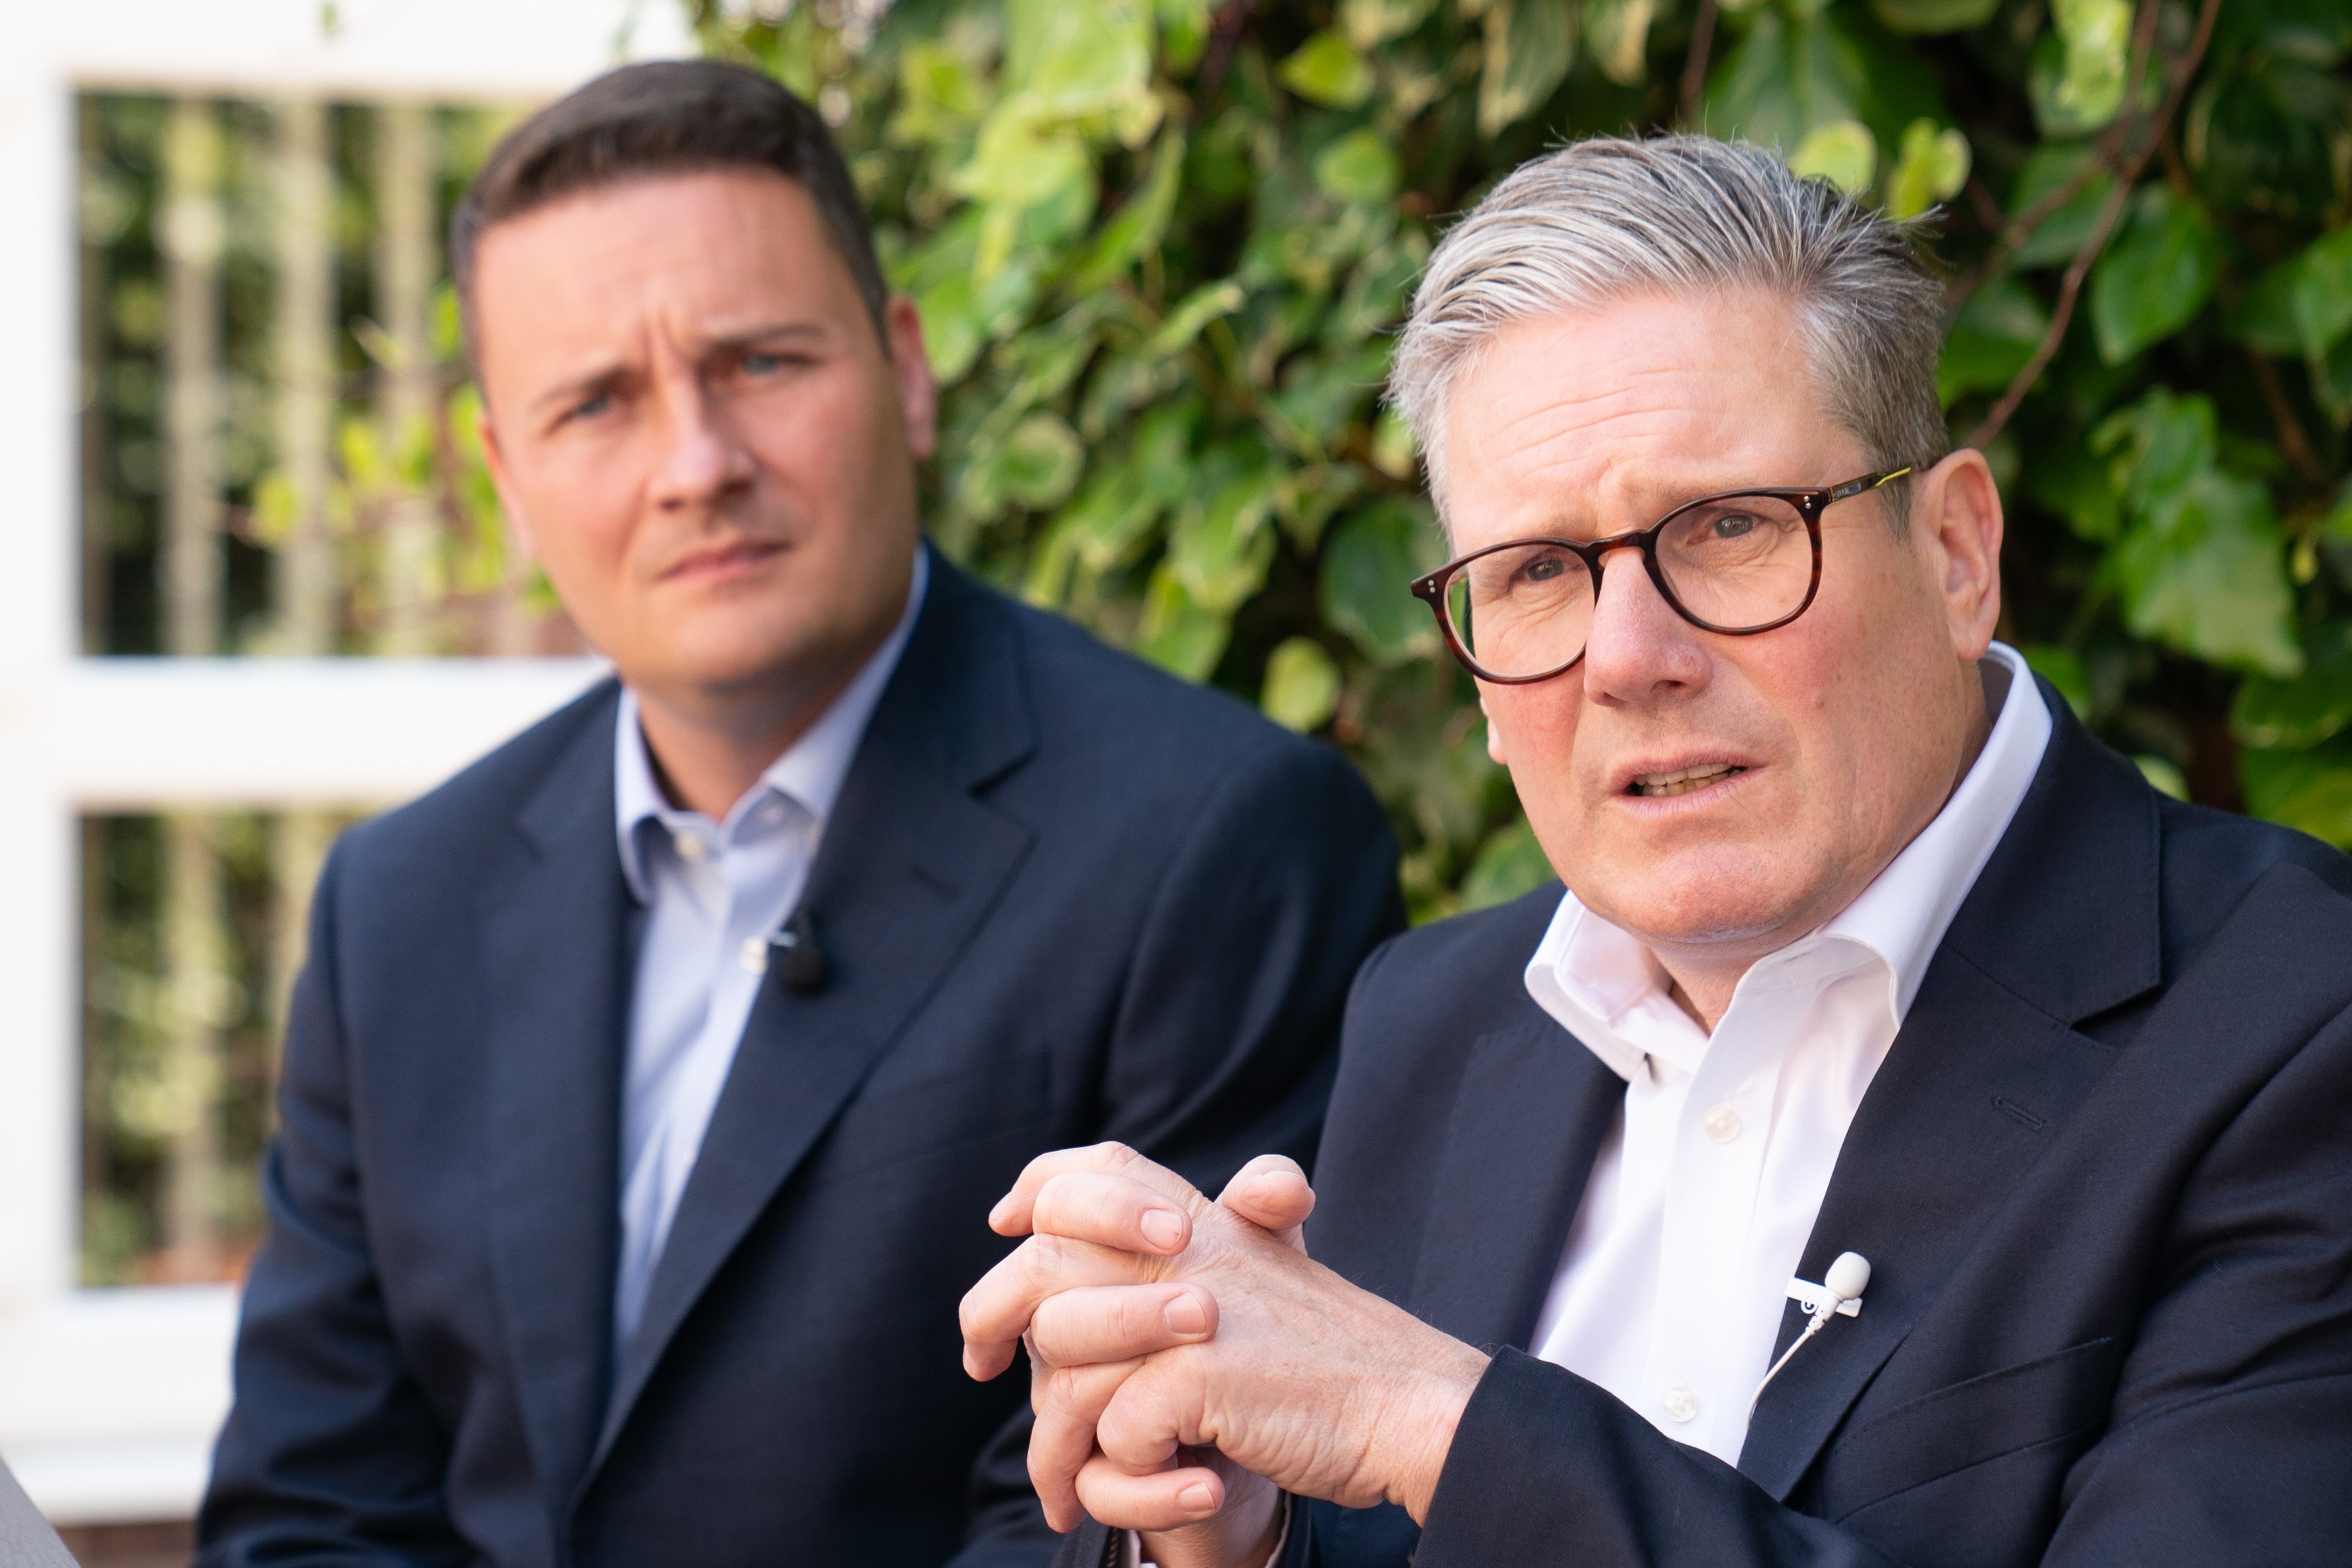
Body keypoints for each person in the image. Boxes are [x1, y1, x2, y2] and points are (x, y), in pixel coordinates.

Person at [961, 135, 2352, 1568]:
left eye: (1731, 525)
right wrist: (1233, 1530)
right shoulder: (1434, 1023)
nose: (1629, 658)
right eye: (1539, 573)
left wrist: (1438, 1422)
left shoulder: (2301, 1027)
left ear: (1955, 552)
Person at [195, 61, 1402, 1568]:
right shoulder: (398, 903)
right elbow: (313, 1513)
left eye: (760, 362)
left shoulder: (1224, 845)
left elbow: (1107, 1514)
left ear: (904, 368)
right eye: (596, 403)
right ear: (505, 475)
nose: (696, 466)